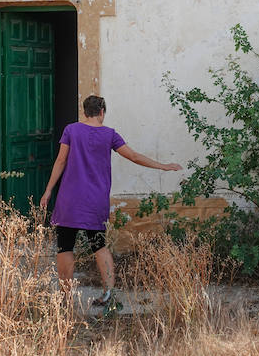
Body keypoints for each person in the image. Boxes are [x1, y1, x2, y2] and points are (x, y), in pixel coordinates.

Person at [40, 95, 181, 304]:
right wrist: (163, 166)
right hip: (95, 200)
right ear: (102, 112)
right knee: (99, 245)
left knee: (65, 246)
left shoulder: (71, 130)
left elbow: (61, 161)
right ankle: (108, 294)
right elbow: (134, 156)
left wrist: (48, 190)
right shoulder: (110, 135)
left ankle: (65, 297)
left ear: (84, 112)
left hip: (70, 198)